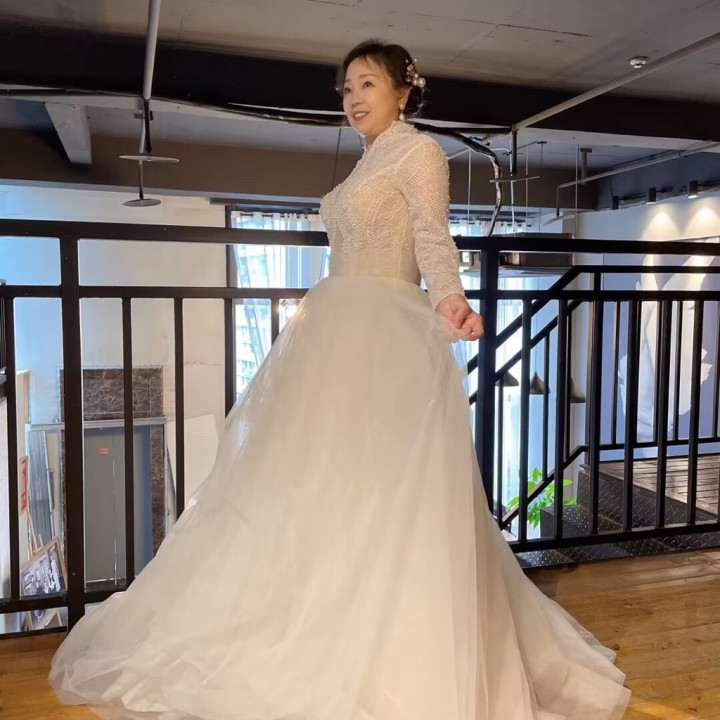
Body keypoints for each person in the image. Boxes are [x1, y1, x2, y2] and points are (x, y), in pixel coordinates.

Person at [49, 39, 630, 720]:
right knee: (325, 481)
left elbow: (432, 235)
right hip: (337, 328)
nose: (353, 98)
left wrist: (451, 299)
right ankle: (324, 611)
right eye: (347, 88)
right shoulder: (368, 160)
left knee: (379, 486)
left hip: (383, 332)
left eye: (367, 84)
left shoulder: (418, 152)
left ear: (403, 91)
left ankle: (384, 636)